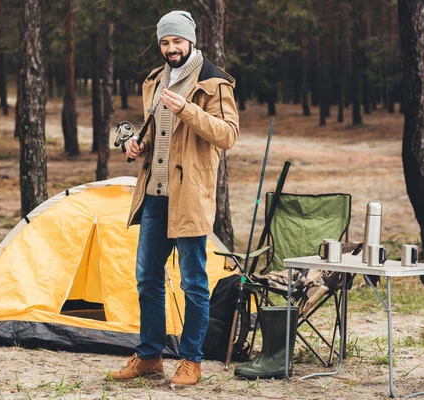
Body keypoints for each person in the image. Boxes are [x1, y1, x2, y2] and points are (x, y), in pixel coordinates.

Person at [108, 10, 240, 385]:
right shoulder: (155, 80)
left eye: (177, 41)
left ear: (191, 41)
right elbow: (156, 132)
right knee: (148, 278)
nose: (170, 49)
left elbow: (228, 135)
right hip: (154, 194)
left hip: (190, 197)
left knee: (193, 282)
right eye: (165, 42)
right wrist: (137, 145)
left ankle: (191, 361)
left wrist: (189, 109)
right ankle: (149, 356)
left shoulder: (214, 83)